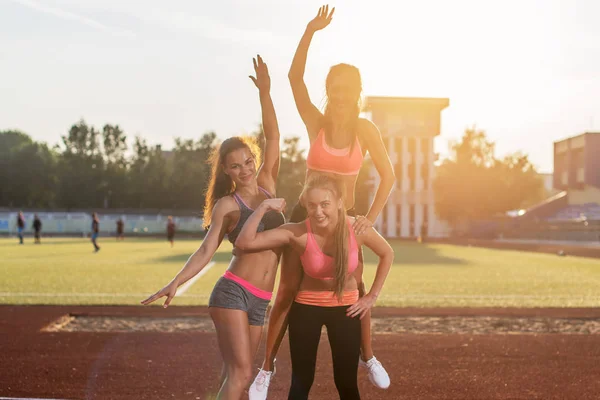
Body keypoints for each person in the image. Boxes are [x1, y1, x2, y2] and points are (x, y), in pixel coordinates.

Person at [249, 5, 395, 397]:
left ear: (357, 92)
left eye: (349, 88)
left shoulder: (365, 129)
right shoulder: (317, 123)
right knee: (288, 290)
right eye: (336, 87)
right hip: (307, 214)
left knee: (356, 284)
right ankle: (266, 368)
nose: (342, 94)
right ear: (328, 89)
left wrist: (369, 219)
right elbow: (295, 78)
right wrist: (311, 31)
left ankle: (367, 355)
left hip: (346, 217)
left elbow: (389, 176)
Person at [141, 55, 283, 400]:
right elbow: (206, 249)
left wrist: (265, 92)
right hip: (234, 293)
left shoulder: (267, 183)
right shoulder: (227, 206)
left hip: (262, 300)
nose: (245, 169)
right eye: (236, 166)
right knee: (242, 373)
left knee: (237, 376)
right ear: (227, 172)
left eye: (248, 161)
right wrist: (176, 282)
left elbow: (274, 136)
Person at [236, 175, 393, 400]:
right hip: (307, 308)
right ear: (305, 205)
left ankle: (368, 358)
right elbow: (245, 242)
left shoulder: (356, 228)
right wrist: (262, 207)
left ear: (339, 202)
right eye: (312, 205)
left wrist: (371, 296)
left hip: (347, 309)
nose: (318, 211)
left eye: (325, 204)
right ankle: (267, 368)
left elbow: (387, 253)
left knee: (346, 381)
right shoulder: (297, 232)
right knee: (301, 380)